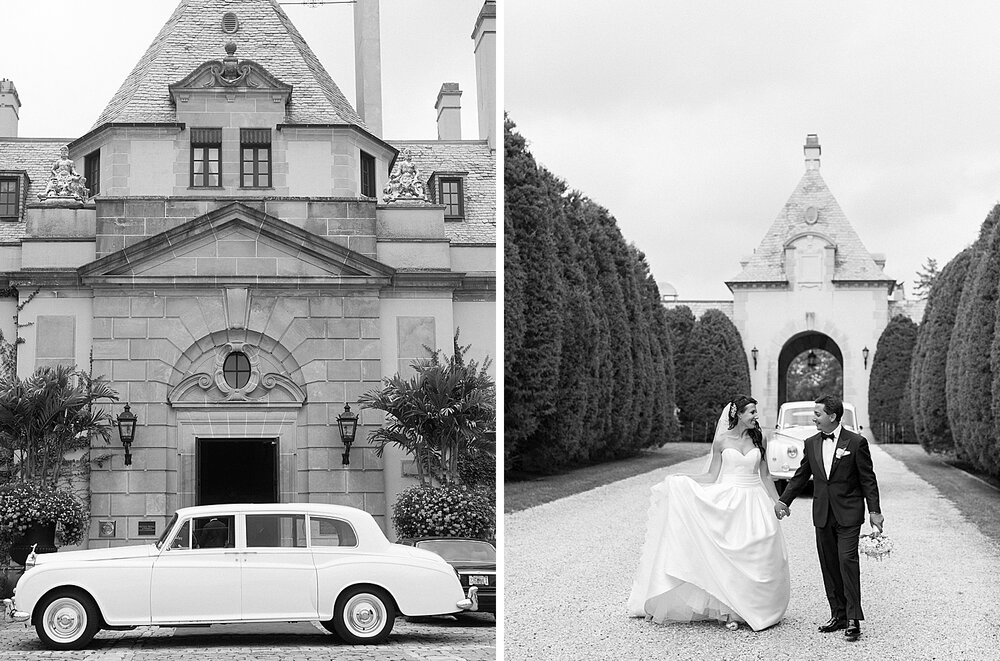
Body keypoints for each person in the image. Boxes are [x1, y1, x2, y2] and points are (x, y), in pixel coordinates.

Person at [628, 395, 790, 631]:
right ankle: (731, 610)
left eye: (756, 412)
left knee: (758, 553)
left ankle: (755, 608)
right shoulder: (722, 441)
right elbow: (712, 476)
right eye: (752, 412)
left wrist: (778, 501)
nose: (756, 416)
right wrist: (683, 480)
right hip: (730, 500)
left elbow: (765, 475)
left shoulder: (760, 438)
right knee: (729, 556)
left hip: (754, 500)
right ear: (738, 415)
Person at [774, 395, 884, 643]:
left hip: (848, 513)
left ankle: (854, 618)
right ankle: (838, 615)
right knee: (829, 564)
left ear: (832, 416)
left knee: (847, 561)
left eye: (817, 414)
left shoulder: (856, 443)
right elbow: (801, 476)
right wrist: (784, 500)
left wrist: (874, 511)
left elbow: (868, 479)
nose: (814, 418)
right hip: (822, 514)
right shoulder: (811, 443)